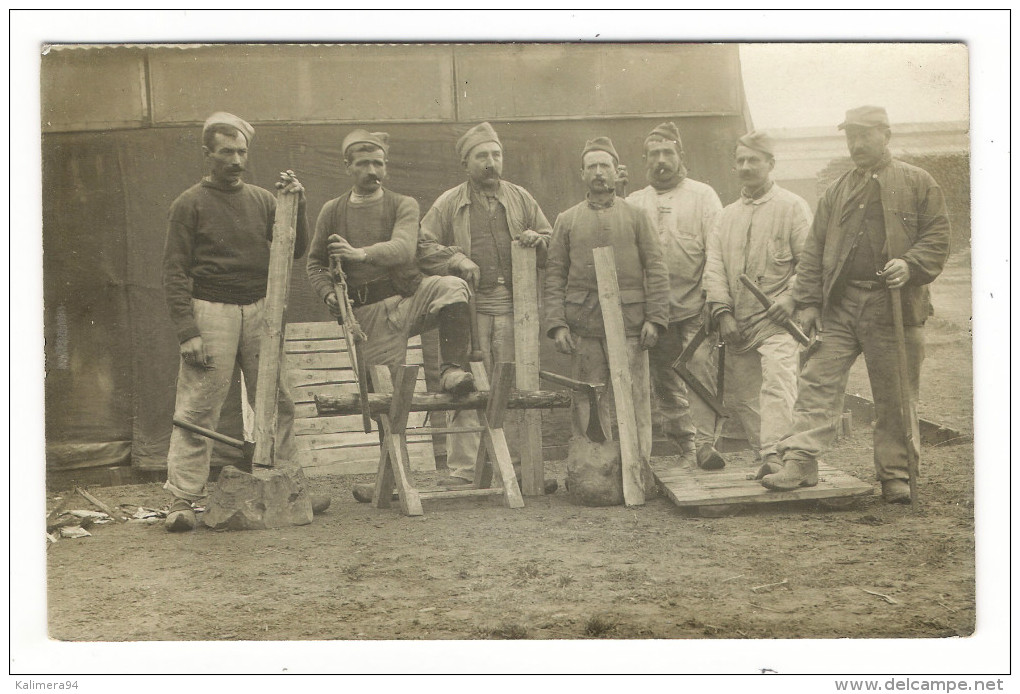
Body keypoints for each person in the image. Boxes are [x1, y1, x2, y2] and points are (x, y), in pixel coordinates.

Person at [761, 106, 951, 503]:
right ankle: (800, 461)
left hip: (894, 305)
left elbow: (937, 237)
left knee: (896, 393)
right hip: (842, 305)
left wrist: (909, 264)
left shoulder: (919, 182)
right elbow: (814, 251)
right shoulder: (837, 190)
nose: (856, 144)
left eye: (865, 135)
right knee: (817, 380)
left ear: (887, 134)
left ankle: (895, 475)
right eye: (850, 136)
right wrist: (810, 303)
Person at [305, 129, 480, 496]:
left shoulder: (403, 204)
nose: (373, 170)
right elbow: (315, 264)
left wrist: (359, 254)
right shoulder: (332, 211)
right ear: (348, 166)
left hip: (409, 297)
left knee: (451, 287)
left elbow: (403, 249)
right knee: (388, 397)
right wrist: (327, 295)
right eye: (364, 163)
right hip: (368, 315)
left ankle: (451, 369)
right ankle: (393, 480)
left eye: (379, 163)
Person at [162, 112, 309, 532]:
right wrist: (187, 331)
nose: (236, 160)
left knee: (278, 398)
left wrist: (297, 201)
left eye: (242, 152)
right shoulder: (188, 204)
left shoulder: (264, 199)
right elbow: (173, 271)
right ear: (207, 154)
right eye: (226, 152)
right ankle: (183, 499)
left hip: (261, 309)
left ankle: (288, 488)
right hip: (211, 312)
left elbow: (293, 249)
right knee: (199, 406)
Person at [419, 122, 553, 485]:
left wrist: (536, 239)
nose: (490, 162)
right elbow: (423, 246)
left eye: (496, 154)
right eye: (482, 156)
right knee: (467, 386)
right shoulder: (449, 203)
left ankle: (521, 470)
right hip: (469, 313)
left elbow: (550, 239)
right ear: (467, 163)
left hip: (514, 309)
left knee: (513, 385)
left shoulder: (521, 198)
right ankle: (466, 471)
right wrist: (456, 260)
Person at [543, 136, 670, 474]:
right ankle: (593, 469)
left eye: (605, 166)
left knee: (635, 397)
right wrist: (557, 325)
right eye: (592, 167)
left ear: (616, 172)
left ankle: (638, 468)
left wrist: (655, 319)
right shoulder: (566, 220)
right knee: (588, 398)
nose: (599, 173)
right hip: (584, 326)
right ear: (582, 174)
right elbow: (554, 275)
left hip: (631, 325)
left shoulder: (637, 217)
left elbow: (656, 268)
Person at [702, 131, 812, 476]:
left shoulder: (792, 206)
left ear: (771, 164)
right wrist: (722, 311)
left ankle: (779, 455)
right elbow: (715, 267)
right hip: (739, 321)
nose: (746, 167)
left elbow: (809, 261)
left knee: (778, 383)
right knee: (746, 394)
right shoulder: (725, 216)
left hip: (779, 320)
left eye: (754, 160)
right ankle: (765, 455)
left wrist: (790, 298)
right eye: (741, 161)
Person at [623, 122, 726, 469]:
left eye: (668, 153)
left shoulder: (703, 195)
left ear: (681, 155)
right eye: (654, 154)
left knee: (698, 369)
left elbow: (717, 249)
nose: (661, 160)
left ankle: (706, 444)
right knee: (664, 378)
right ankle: (685, 445)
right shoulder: (634, 201)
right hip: (656, 308)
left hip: (696, 302)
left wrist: (714, 297)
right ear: (645, 159)